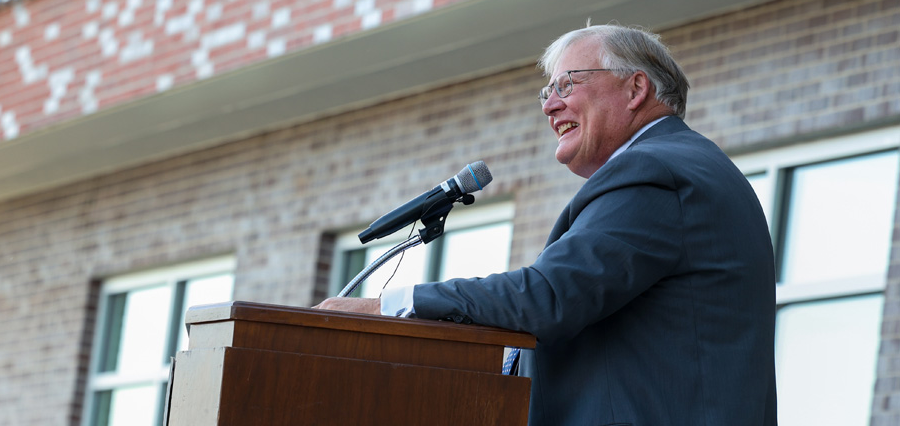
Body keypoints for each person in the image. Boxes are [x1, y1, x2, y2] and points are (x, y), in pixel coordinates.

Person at [316, 23, 777, 425]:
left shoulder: (654, 170)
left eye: (566, 85)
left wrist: (392, 306)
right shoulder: (684, 164)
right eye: (546, 92)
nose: (549, 106)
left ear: (636, 90)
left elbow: (548, 297)